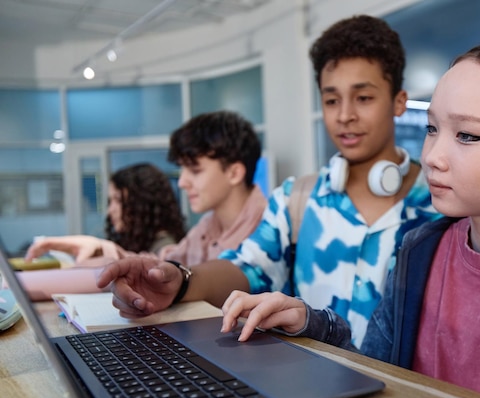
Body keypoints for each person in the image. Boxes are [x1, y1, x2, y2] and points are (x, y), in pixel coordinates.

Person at [220, 36, 480, 398]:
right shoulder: (420, 250)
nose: (432, 155)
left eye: (467, 135)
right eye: (433, 128)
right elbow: (379, 376)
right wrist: (309, 324)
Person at [97, 14, 440, 347]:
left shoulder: (440, 206)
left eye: (363, 98)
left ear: (399, 102)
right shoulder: (297, 199)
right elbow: (246, 267)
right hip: (316, 387)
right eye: (331, 99)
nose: (345, 115)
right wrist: (180, 281)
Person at [25, 111, 267, 266]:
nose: (182, 182)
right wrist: (101, 249)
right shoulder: (207, 226)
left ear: (234, 172)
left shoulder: (269, 231)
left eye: (195, 170)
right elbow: (166, 266)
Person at [26, 163, 186, 263]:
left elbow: (160, 265)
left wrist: (101, 248)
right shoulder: (139, 241)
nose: (111, 210)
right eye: (110, 201)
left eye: (118, 200)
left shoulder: (166, 246)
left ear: (144, 203)